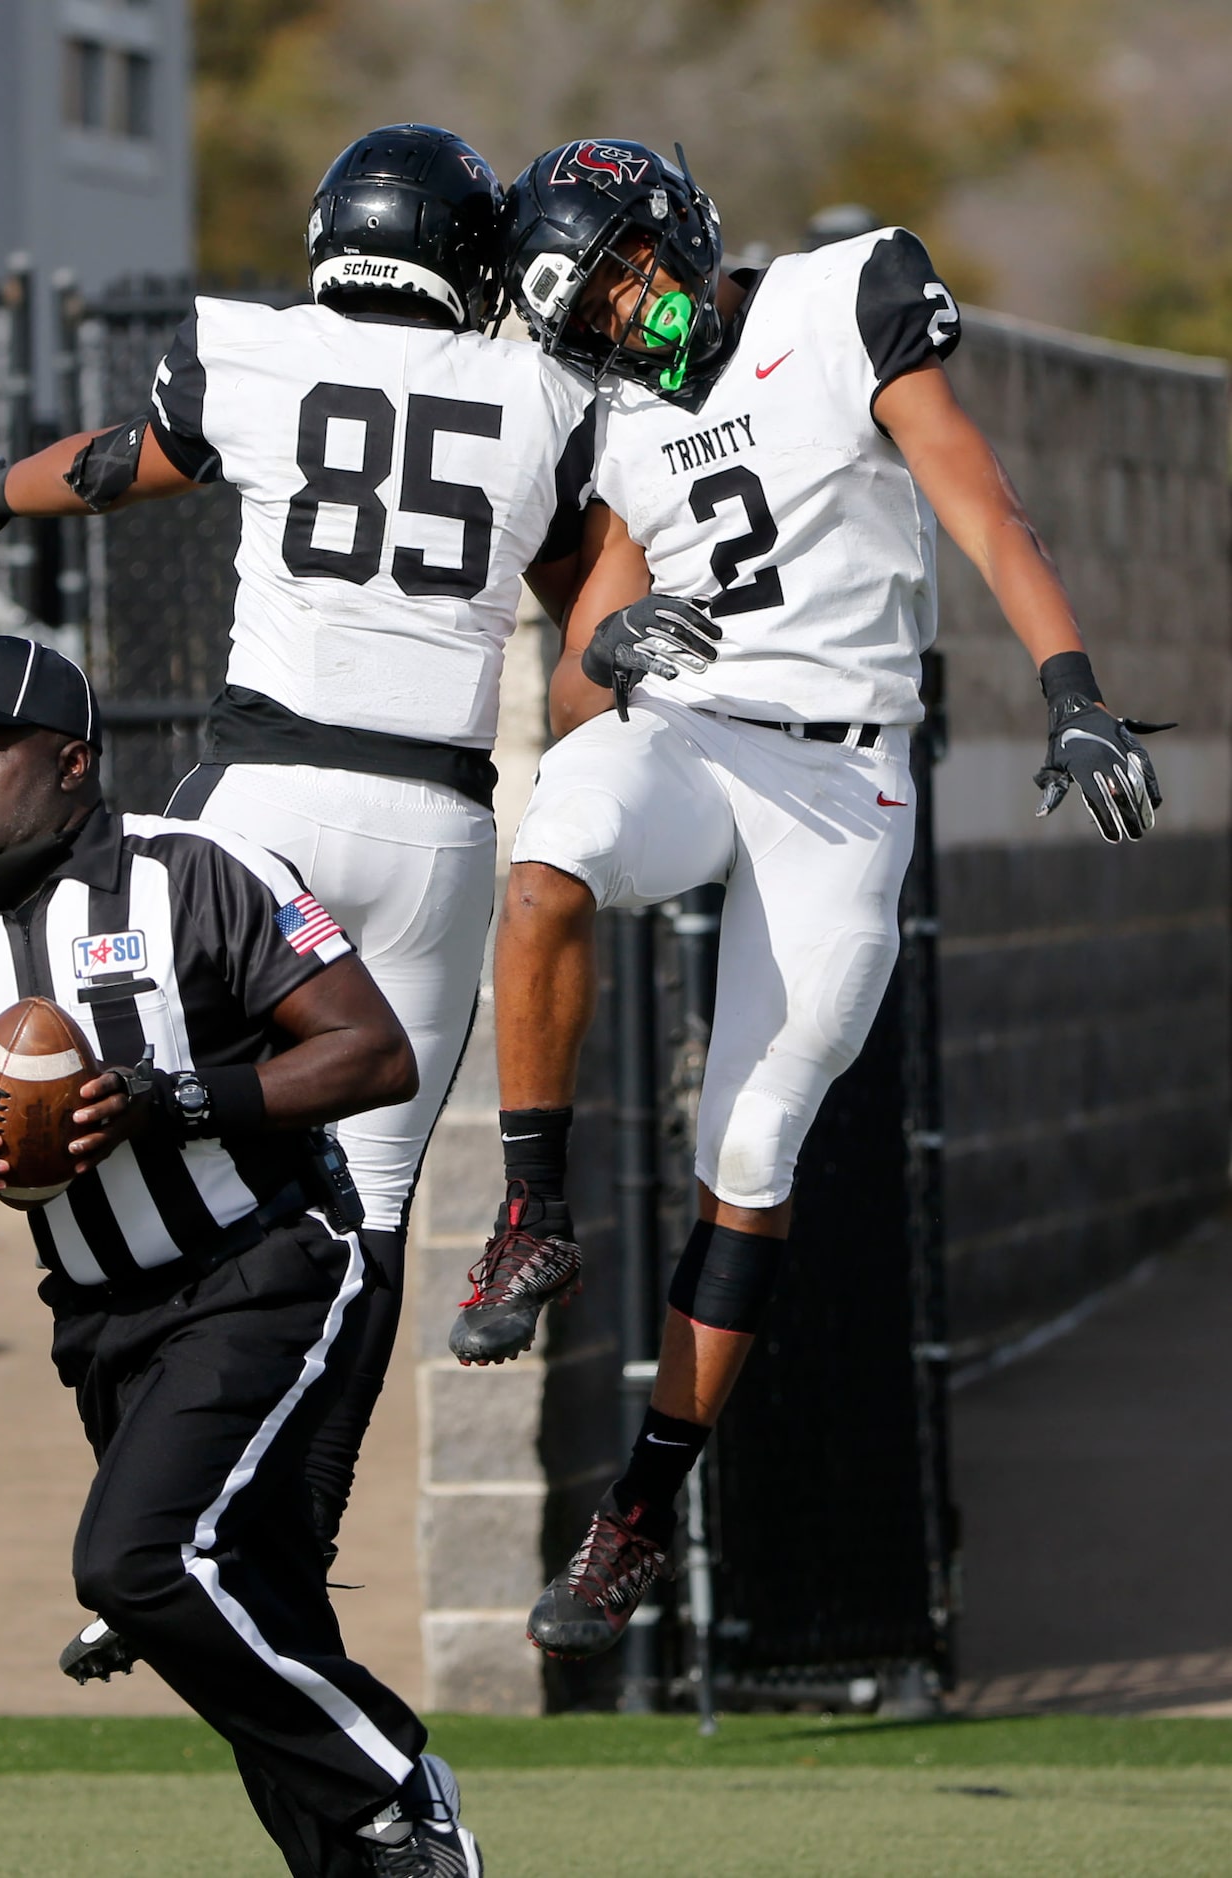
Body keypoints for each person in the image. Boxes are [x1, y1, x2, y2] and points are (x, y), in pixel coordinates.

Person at [0, 122, 595, 1669]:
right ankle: (281, 1554)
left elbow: (123, 465)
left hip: (256, 805)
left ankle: (151, 1521)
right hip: (433, 829)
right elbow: (590, 582)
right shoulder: (542, 392)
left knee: (108, 1108)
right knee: (370, 1213)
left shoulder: (265, 355)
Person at [445, 139, 1166, 1657]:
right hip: (699, 740)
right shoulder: (619, 427)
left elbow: (982, 501)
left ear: (680, 223)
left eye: (634, 270)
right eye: (595, 308)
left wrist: (1073, 689)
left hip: (847, 779)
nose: (629, 316)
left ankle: (637, 1514)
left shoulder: (847, 297)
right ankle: (531, 1211)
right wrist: (614, 644)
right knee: (554, 838)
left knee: (757, 1143)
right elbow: (581, 682)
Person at [0, 633, 483, 1877]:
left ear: (73, 762)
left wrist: (169, 1099)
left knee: (135, 1560)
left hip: (263, 1268)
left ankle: (396, 1777)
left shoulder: (198, 873)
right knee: (251, 1611)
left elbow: (373, 1056)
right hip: (99, 1325)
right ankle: (365, 1856)